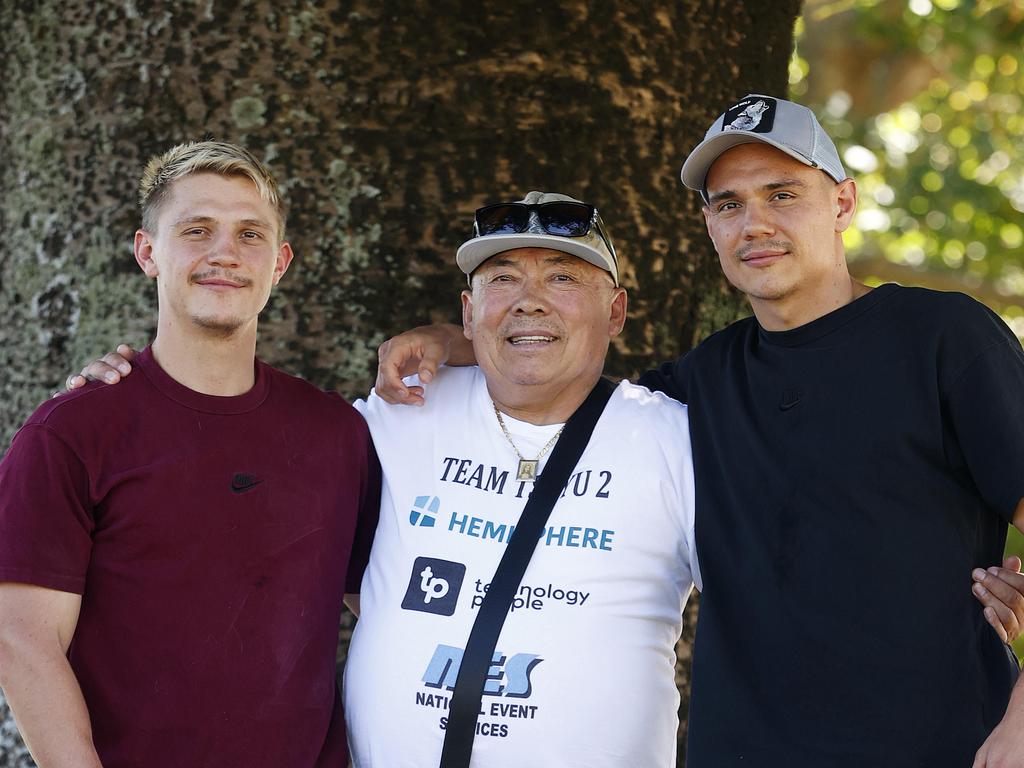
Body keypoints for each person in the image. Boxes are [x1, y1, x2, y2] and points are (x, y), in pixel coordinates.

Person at [70, 187, 1024, 768]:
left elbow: (825, 551)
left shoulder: (680, 434)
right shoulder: (390, 416)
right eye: (502, 278)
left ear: (616, 311)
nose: (529, 297)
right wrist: (127, 392)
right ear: (466, 308)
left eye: (562, 276)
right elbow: (229, 473)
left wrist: (973, 589)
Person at [371, 96, 1024, 767]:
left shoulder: (943, 338)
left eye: (782, 194)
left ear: (843, 204)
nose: (755, 223)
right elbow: (559, 371)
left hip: (945, 747)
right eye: (728, 203)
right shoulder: (699, 384)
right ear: (708, 223)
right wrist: (452, 338)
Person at [0, 141, 380, 768]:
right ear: (148, 252)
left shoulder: (337, 433)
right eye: (197, 230)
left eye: (250, 234)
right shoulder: (73, 432)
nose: (225, 253)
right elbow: (23, 640)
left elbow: (391, 609)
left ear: (280, 262)